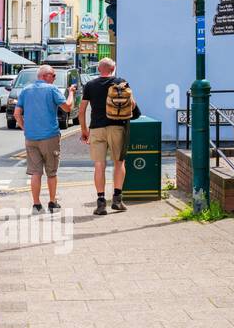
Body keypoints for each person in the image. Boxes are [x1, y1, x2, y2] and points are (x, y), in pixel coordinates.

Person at [79, 57, 140, 215]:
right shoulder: (121, 82)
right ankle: (117, 200)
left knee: (99, 164)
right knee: (119, 163)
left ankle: (100, 203)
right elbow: (132, 104)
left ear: (99, 69)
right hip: (117, 127)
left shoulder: (90, 85)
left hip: (97, 129)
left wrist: (84, 130)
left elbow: (82, 110)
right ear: (113, 69)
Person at [14, 65, 76, 214]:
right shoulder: (52, 90)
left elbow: (17, 114)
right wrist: (71, 93)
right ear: (46, 76)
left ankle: (36, 205)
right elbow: (67, 107)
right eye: (53, 75)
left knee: (35, 173)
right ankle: (52, 203)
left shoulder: (25, 90)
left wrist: (25, 129)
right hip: (50, 137)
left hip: (31, 138)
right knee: (51, 172)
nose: (54, 78)